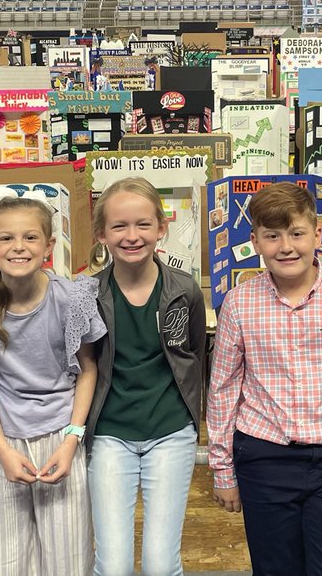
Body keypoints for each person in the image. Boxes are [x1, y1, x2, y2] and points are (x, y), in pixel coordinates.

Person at [206, 181, 322, 576]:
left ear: (317, 235)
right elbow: (222, 390)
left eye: (296, 233)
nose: (285, 247)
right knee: (274, 568)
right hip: (264, 457)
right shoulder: (239, 302)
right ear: (255, 241)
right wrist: (223, 469)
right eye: (272, 236)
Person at [0, 195, 105, 576]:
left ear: (49, 246)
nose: (19, 247)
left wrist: (71, 440)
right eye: (6, 239)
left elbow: (87, 370)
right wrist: (1, 449)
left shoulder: (69, 298)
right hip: (5, 442)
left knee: (67, 558)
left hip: (61, 436)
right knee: (9, 560)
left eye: (31, 237)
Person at [86, 178, 206, 576]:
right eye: (119, 226)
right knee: (114, 561)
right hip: (109, 433)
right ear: (101, 233)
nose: (132, 236)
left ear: (161, 228)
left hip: (170, 431)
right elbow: (83, 366)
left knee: (159, 561)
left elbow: (192, 356)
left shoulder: (184, 290)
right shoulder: (86, 295)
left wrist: (193, 420)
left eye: (143, 224)